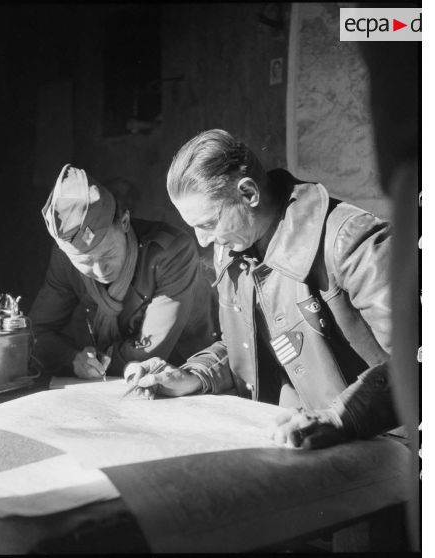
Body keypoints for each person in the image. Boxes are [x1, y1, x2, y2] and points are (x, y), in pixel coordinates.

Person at [125, 129, 400, 449]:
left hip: (386, 445)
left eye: (209, 223)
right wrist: (195, 374)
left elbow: (417, 360)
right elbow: (248, 342)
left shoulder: (351, 240)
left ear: (248, 193)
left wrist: (339, 418)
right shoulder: (233, 251)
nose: (202, 240)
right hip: (292, 440)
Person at [29, 163, 218, 380]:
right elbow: (36, 334)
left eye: (107, 254)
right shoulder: (65, 260)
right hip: (111, 383)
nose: (99, 270)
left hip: (184, 376)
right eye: (85, 262)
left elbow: (148, 355)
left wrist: (99, 362)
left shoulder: (171, 252)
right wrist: (72, 358)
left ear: (125, 222)